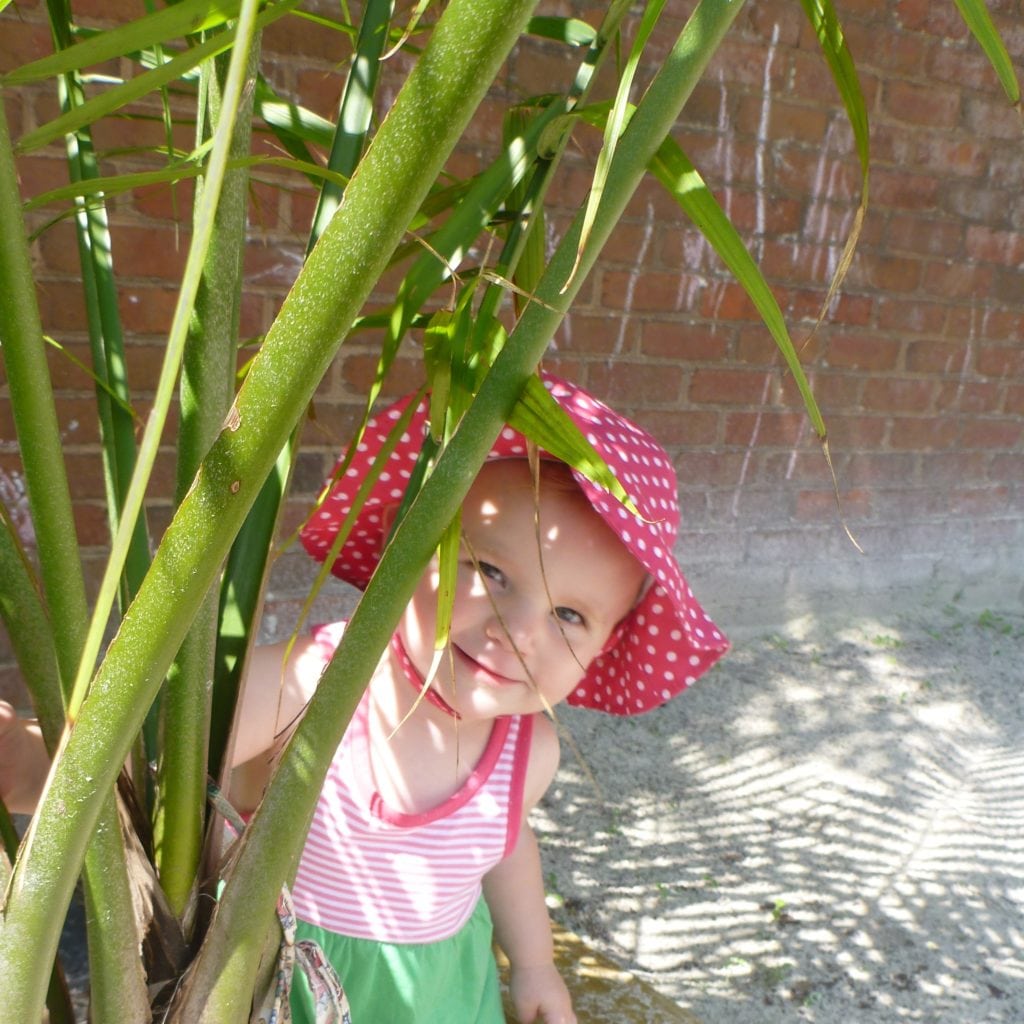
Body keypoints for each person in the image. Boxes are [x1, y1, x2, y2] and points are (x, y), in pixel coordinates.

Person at [0, 372, 729, 1024]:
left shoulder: (527, 750)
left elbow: (502, 851)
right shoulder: (314, 685)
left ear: (603, 645)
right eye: (490, 571)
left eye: (570, 616)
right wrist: (29, 761)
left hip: (441, 996)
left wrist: (534, 966)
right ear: (399, 544)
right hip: (280, 987)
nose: (518, 631)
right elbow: (156, 755)